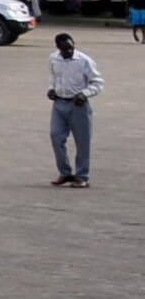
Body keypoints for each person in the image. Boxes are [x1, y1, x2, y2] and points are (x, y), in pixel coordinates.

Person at [46, 32, 101, 186]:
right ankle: (65, 172)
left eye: (71, 48)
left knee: (82, 141)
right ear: (58, 48)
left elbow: (97, 82)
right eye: (65, 49)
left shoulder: (84, 61)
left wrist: (85, 93)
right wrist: (51, 89)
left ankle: (82, 176)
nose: (69, 51)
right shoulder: (53, 59)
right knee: (56, 136)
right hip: (59, 103)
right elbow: (54, 77)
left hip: (78, 105)